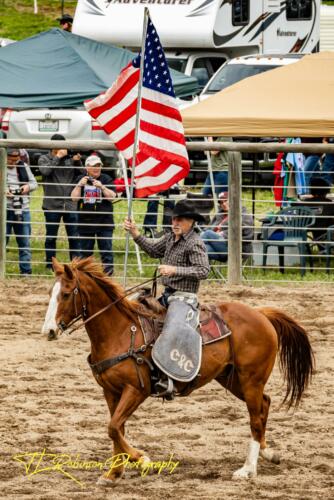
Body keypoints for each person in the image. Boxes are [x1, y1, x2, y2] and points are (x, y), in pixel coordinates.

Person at [124, 199, 210, 398]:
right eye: (174, 218)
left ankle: (169, 378)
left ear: (191, 222)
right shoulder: (171, 238)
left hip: (184, 298)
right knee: (134, 310)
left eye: (180, 219)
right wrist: (135, 233)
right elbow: (154, 250)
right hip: (167, 296)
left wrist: (174, 269)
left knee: (173, 330)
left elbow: (203, 270)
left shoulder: (195, 242)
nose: (175, 222)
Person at [38, 134, 82, 270]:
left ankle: (75, 265)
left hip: (70, 205)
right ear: (52, 147)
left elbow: (82, 174)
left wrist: (77, 162)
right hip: (52, 206)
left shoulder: (70, 159)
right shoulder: (44, 158)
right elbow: (45, 171)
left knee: (74, 237)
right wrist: (57, 157)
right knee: (51, 237)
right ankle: (50, 265)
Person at [71, 155, 116, 275]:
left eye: (98, 166)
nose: (97, 169)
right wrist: (79, 185)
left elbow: (112, 197)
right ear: (87, 167)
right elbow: (74, 198)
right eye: (93, 166)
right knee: (85, 254)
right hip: (85, 222)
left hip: (104, 222)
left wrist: (102, 187)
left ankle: (107, 277)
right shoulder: (80, 179)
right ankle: (86, 276)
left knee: (106, 252)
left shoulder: (106, 178)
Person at [6, 148, 37, 275]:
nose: (13, 163)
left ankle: (26, 272)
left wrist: (27, 187)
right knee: (2, 240)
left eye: (16, 160)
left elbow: (35, 183)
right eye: (11, 160)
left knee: (24, 242)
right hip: (5, 209)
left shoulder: (23, 166)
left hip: (22, 209)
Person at [200, 191, 254, 262]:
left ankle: (186, 248)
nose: (224, 204)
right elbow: (210, 227)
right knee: (201, 250)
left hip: (235, 249)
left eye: (226, 201)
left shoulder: (244, 215)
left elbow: (241, 232)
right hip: (218, 248)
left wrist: (221, 234)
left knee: (207, 234)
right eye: (221, 202)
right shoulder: (220, 214)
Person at [306, 177, 334, 244]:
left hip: (309, 228)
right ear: (326, 190)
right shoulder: (329, 204)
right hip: (326, 229)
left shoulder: (305, 203)